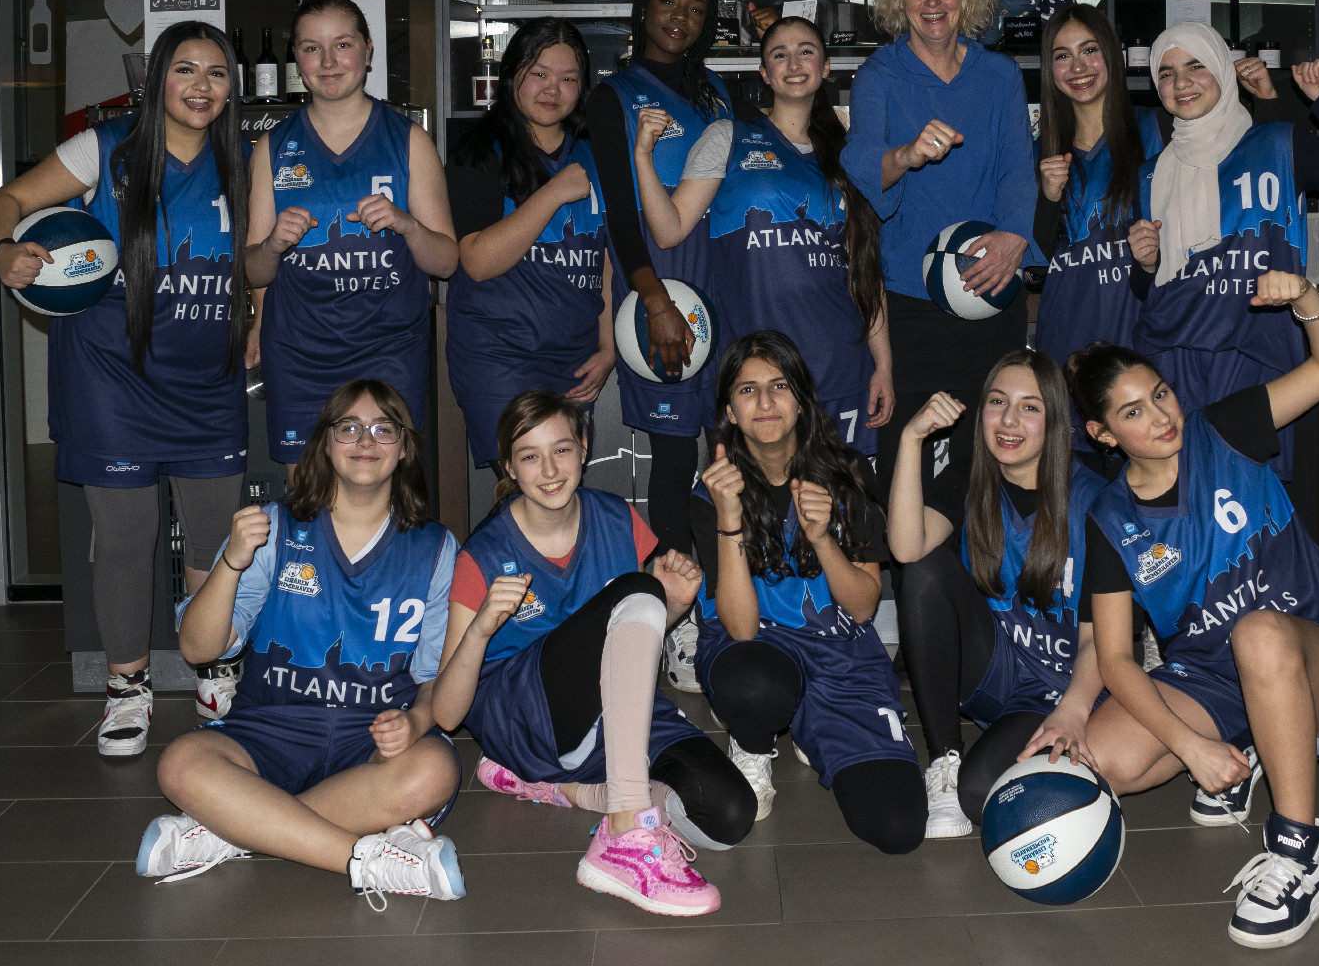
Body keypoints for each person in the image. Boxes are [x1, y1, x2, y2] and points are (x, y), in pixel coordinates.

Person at [1072, 270, 1319, 948]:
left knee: (1259, 633)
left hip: (1316, 648)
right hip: (1212, 681)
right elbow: (1116, 660)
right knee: (1103, 760)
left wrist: (1305, 300)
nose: (1161, 416)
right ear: (1104, 434)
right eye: (1133, 412)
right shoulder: (1110, 518)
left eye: (1160, 394)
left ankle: (1300, 853)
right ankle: (1245, 745)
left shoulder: (1225, 429)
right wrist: (1194, 746)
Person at [0, 21, 250, 752]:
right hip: (111, 376)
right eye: (186, 70)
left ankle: (213, 668)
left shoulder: (246, 161)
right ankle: (127, 689)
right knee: (128, 542)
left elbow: (257, 263)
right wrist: (6, 248)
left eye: (217, 73)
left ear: (233, 88)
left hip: (207, 381)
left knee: (212, 541)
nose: (201, 87)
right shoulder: (104, 148)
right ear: (157, 78)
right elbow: (5, 202)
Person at [138, 380, 464, 906]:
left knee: (435, 769)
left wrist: (416, 722)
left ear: (404, 448)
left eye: (384, 429)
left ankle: (233, 827)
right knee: (181, 762)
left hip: (371, 745)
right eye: (349, 427)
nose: (366, 440)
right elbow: (199, 649)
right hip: (269, 731)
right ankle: (367, 860)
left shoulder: (435, 547)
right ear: (325, 444)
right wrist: (231, 561)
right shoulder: (274, 526)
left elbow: (433, 681)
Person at [432, 390, 755, 917]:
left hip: (610, 717)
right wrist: (482, 628)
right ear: (510, 467)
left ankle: (569, 793)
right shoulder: (483, 554)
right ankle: (625, 835)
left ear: (584, 448)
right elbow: (446, 713)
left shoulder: (618, 518)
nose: (550, 469)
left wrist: (672, 607)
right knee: (637, 589)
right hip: (524, 719)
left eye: (561, 449)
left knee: (728, 815)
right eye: (530, 456)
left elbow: (629, 639)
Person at [690, 331, 926, 853]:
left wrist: (822, 540)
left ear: (801, 399)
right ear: (729, 409)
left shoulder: (848, 472)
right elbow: (741, 628)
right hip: (758, 649)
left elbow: (863, 607)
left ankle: (810, 719)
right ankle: (754, 741)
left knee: (898, 828)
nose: (766, 403)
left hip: (840, 650)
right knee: (756, 682)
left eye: (778, 386)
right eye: (748, 390)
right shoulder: (714, 488)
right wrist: (730, 520)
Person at [1126, 22, 1319, 479]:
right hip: (1170, 361)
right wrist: (1146, 265)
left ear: (1222, 71)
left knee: (1250, 501)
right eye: (1166, 73)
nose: (1181, 82)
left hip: (1253, 355)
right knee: (1179, 500)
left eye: (1196, 65)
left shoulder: (1277, 143)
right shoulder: (1150, 174)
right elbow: (1146, 289)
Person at [632, 14, 893, 457]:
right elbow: (669, 230)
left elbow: (865, 270)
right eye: (780, 54)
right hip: (761, 377)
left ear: (826, 67)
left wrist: (884, 362)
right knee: (759, 511)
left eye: (806, 51)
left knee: (839, 514)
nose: (794, 63)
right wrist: (642, 154)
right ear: (764, 73)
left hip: (842, 366)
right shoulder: (730, 137)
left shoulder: (850, 154)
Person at [841, 0, 1040, 486]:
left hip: (991, 286)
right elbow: (860, 166)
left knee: (995, 454)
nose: (933, 2)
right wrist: (904, 155)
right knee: (912, 456)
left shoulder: (999, 76)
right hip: (910, 301)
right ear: (898, 0)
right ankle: (914, 571)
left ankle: (987, 570)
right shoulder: (879, 75)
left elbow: (1016, 169)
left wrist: (1014, 238)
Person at [887, 350, 1110, 838]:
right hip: (993, 667)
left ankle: (1050, 760)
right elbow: (905, 548)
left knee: (981, 792)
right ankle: (944, 757)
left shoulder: (1097, 500)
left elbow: (1104, 642)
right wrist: (911, 438)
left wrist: (1072, 712)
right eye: (997, 402)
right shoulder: (972, 476)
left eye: (1030, 407)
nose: (1009, 420)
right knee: (924, 567)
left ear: (1055, 420)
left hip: (1062, 686)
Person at [245, 0, 458, 466]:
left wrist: (407, 226)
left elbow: (446, 261)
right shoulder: (272, 148)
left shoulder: (407, 139)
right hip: (300, 358)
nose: (327, 61)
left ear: (367, 51)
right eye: (310, 48)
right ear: (296, 59)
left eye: (342, 45)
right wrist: (274, 244)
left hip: (389, 356)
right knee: (307, 505)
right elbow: (253, 271)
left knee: (386, 501)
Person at [584, 0, 733, 545]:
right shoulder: (612, 96)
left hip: (721, 288)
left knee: (730, 455)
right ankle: (675, 610)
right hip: (659, 289)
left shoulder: (718, 92)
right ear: (643, 7)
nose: (681, 18)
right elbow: (621, 215)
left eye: (696, 9)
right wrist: (655, 301)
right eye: (668, 2)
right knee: (675, 461)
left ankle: (728, 604)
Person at [444, 19, 614, 468]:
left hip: (574, 359)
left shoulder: (593, 153)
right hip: (499, 354)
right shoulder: (478, 151)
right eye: (539, 73)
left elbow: (605, 258)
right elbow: (477, 262)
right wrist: (554, 192)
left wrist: (609, 345)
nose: (552, 89)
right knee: (524, 490)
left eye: (568, 78)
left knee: (561, 487)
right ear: (511, 74)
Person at [1032, 6, 1165, 434]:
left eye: (1089, 50)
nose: (1078, 67)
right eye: (1062, 55)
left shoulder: (1159, 129)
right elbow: (1030, 264)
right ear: (1050, 69)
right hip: (1067, 334)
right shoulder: (1036, 151)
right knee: (1072, 477)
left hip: (1143, 331)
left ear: (1113, 55)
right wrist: (1048, 199)